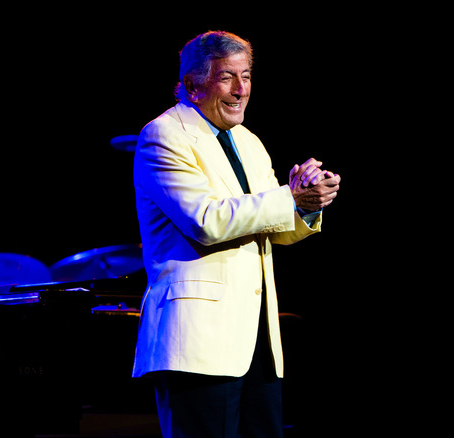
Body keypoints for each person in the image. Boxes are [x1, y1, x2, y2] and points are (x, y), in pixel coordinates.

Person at [131, 31, 341, 438]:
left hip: (258, 340)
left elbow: (273, 229)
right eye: (227, 77)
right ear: (193, 84)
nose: (241, 89)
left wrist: (306, 206)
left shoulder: (249, 142)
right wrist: (289, 198)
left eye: (246, 76)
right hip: (198, 340)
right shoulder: (165, 135)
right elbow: (206, 222)